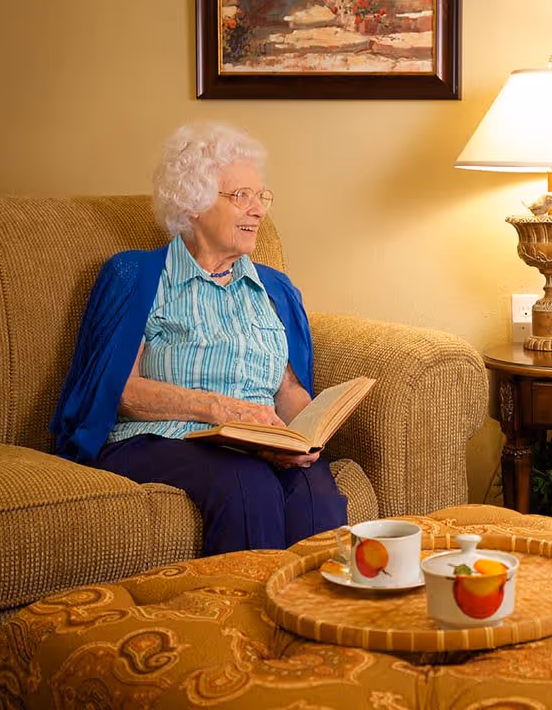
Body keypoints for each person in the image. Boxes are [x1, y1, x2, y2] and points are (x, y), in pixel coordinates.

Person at [51, 122, 348, 556]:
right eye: (240, 196)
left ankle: (317, 619)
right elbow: (121, 390)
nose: (258, 210)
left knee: (313, 488)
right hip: (162, 438)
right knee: (248, 485)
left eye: (260, 196)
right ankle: (235, 620)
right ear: (193, 204)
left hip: (255, 444)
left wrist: (303, 437)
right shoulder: (138, 277)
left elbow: (286, 389)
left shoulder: (274, 289)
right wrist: (220, 409)